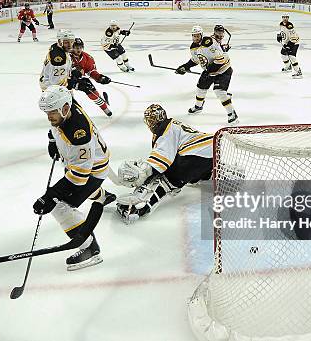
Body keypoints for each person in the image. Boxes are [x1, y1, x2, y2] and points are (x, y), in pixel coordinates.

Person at [34, 86, 115, 270]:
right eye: (47, 112)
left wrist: (50, 195)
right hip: (86, 161)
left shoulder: (79, 133)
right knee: (67, 187)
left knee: (59, 206)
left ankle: (89, 249)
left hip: (92, 171)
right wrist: (53, 140)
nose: (49, 116)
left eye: (52, 112)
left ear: (64, 108)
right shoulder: (67, 108)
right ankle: (101, 195)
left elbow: (79, 176)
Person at [116, 104, 213, 223]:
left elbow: (162, 161)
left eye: (150, 120)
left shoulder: (164, 129)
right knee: (195, 174)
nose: (149, 123)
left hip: (193, 156)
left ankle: (137, 209)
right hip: (209, 151)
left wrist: (145, 171)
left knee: (165, 181)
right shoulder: (172, 124)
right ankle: (220, 175)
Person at [175, 26, 238, 124]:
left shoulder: (209, 42)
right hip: (210, 70)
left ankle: (232, 113)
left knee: (219, 92)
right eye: (194, 36)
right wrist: (185, 67)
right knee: (200, 88)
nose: (196, 38)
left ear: (201, 35)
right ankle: (198, 107)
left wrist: (209, 72)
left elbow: (221, 59)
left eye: (197, 35)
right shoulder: (193, 47)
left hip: (223, 69)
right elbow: (196, 60)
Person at [70, 38, 113, 117]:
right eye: (76, 47)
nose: (78, 49)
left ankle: (105, 108)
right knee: (67, 97)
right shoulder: (67, 56)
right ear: (72, 48)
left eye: (80, 47)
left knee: (91, 90)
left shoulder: (87, 58)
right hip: (67, 79)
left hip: (79, 78)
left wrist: (99, 77)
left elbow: (91, 71)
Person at [277, 13, 302, 78]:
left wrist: (289, 45)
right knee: (283, 54)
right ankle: (288, 67)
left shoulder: (290, 26)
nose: (285, 18)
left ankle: (298, 72)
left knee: (292, 56)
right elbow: (283, 32)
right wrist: (279, 36)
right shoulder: (281, 24)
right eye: (284, 17)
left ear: (288, 18)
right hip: (286, 42)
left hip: (294, 42)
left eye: (286, 17)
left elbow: (294, 37)